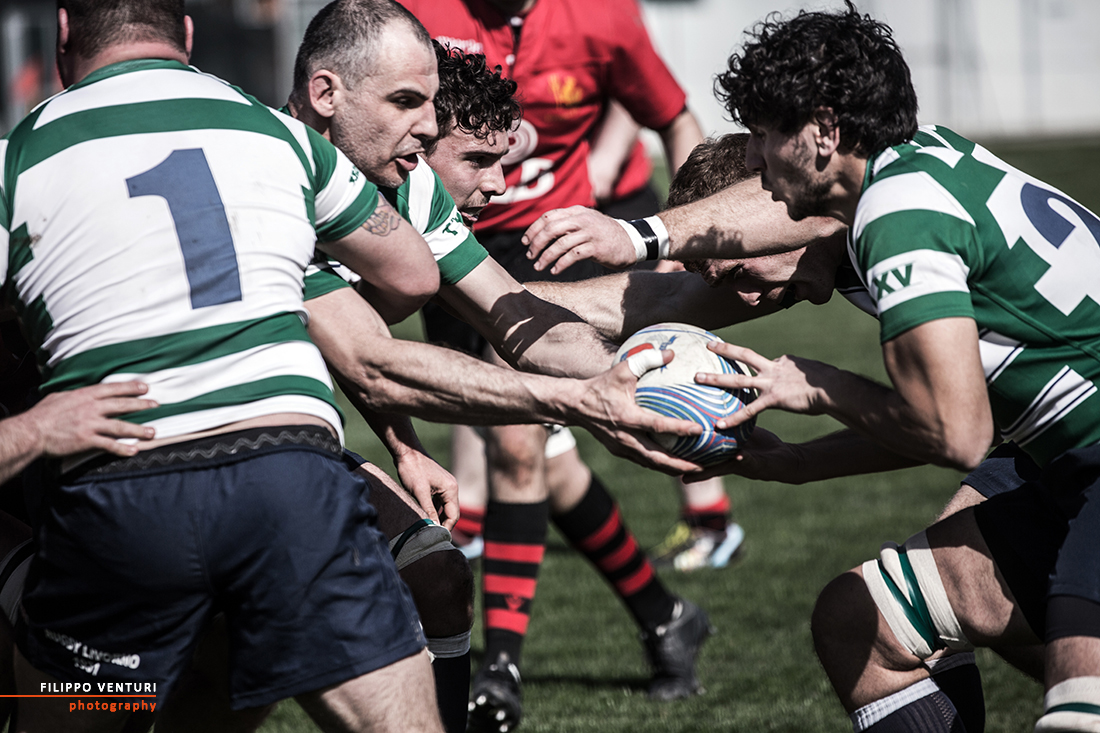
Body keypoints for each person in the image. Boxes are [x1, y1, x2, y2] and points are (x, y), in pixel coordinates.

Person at [1, 2, 453, 731]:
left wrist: (29, 430)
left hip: (122, 488)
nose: (426, 128)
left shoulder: (19, 156)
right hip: (283, 473)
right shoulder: (272, 132)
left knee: (63, 703)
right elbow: (416, 281)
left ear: (61, 36)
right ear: (186, 34)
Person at [688, 4, 1100, 732]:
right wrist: (800, 463)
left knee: (1075, 711)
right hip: (1068, 458)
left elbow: (958, 433)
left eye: (763, 134)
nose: (755, 161)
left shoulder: (894, 211)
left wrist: (816, 384)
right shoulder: (919, 165)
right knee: (858, 619)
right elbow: (952, 413)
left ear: (823, 130)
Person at [395, 3, 705, 724]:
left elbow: (675, 116)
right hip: (449, 243)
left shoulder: (603, 16)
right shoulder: (418, 15)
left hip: (554, 252)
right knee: (550, 466)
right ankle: (665, 614)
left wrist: (680, 236)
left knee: (517, 444)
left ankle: (499, 668)